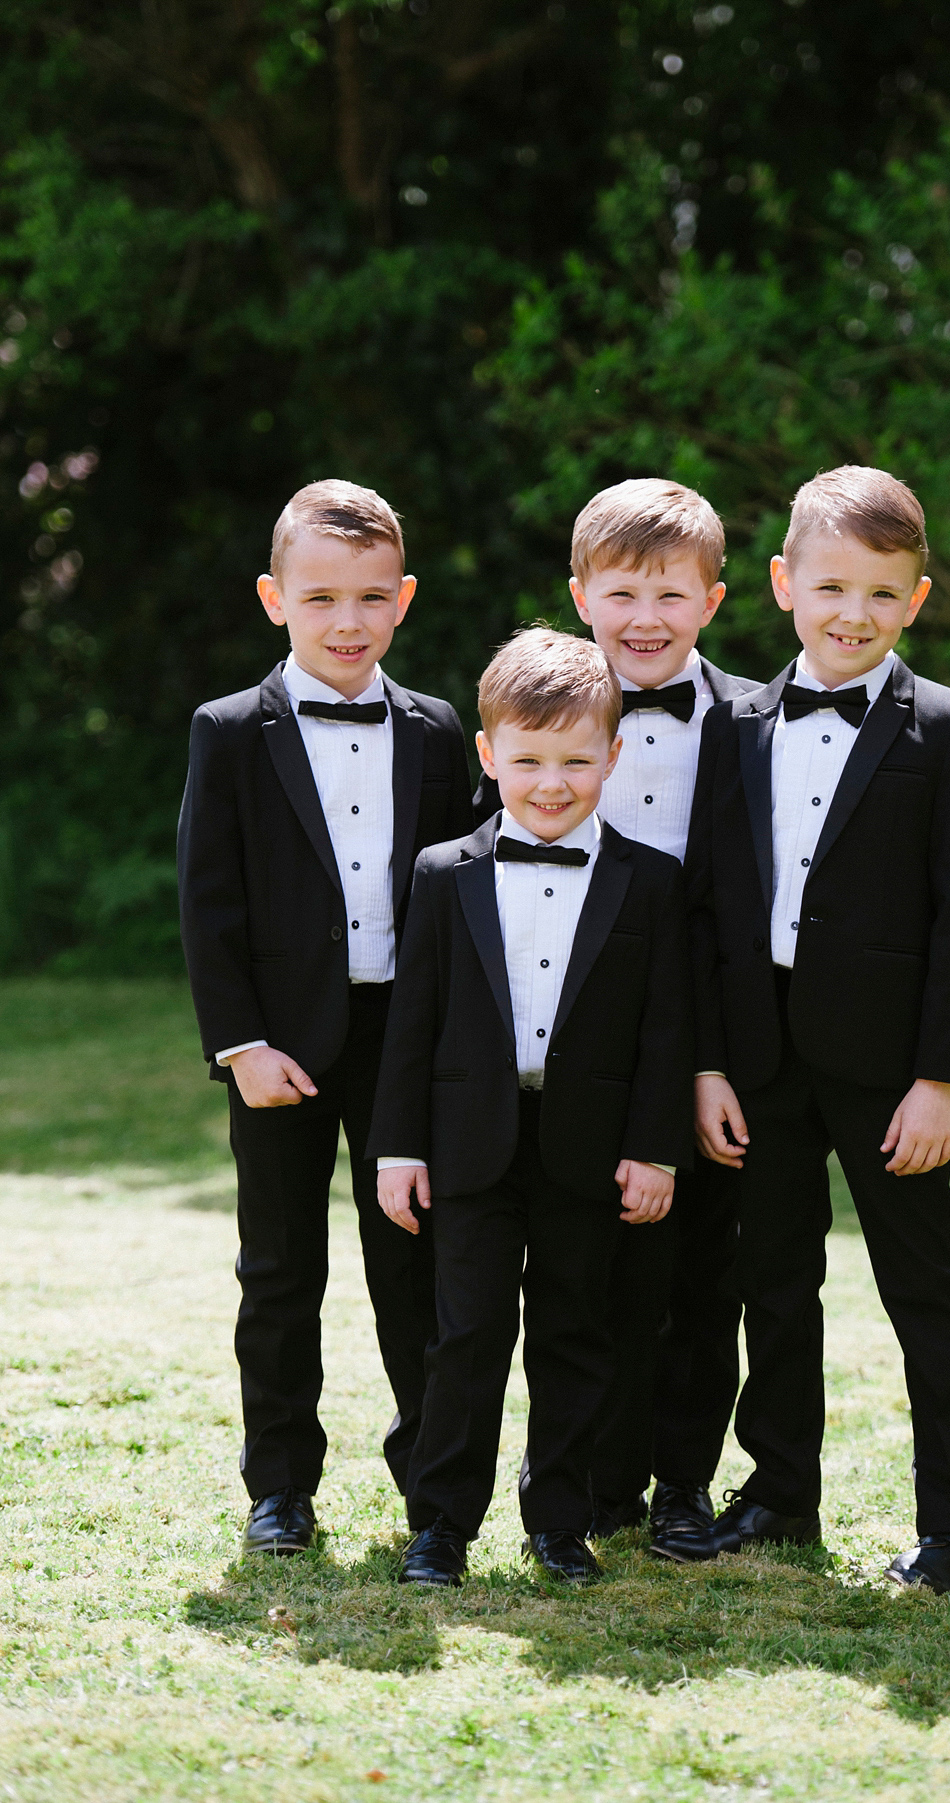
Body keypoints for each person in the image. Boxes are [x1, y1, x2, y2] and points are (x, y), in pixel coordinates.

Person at [676, 465, 950, 1593]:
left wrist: (939, 1080)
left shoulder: (947, 730)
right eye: (831, 587)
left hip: (889, 1069)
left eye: (879, 592)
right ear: (782, 585)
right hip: (761, 1058)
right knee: (772, 1281)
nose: (851, 613)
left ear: (916, 599)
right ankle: (778, 1497)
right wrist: (711, 1061)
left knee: (927, 1290)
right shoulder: (737, 722)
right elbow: (714, 905)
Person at [177, 479, 473, 1556]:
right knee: (280, 1268)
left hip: (408, 1045)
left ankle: (431, 1484)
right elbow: (208, 902)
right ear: (275, 599)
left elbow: (461, 900)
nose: (345, 623)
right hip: (280, 1048)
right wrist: (239, 1044)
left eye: (366, 598)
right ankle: (281, 1488)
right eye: (319, 600)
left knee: (416, 1266)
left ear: (401, 600)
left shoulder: (441, 734)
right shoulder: (230, 733)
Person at [368, 628, 692, 1587]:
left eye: (576, 761)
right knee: (463, 1336)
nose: (552, 783)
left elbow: (666, 1031)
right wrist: (396, 1148)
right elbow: (410, 1026)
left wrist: (655, 1149)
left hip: (588, 1149)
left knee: (571, 1334)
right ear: (489, 754)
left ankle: (561, 1516)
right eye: (529, 761)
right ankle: (442, 1524)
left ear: (612, 756)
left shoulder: (651, 882)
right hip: (469, 1146)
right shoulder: (441, 873)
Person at [475, 479, 761, 1556]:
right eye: (623, 592)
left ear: (713, 602)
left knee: (703, 1274)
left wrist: (714, 1060)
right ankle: (599, 1482)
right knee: (597, 1276)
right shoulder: (539, 723)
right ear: (580, 596)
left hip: (714, 1042)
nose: (646, 618)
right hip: (582, 1045)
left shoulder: (751, 721)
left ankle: (685, 1482)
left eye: (670, 595)